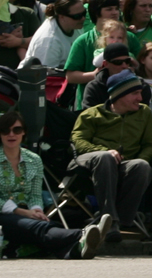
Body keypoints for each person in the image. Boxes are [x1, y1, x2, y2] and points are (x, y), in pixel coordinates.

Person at [0, 109, 109, 258]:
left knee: (41, 227)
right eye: (5, 130)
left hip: (28, 214)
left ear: (24, 132)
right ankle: (81, 234)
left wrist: (37, 210)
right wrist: (22, 212)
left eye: (17, 129)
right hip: (4, 215)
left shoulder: (34, 160)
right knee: (37, 227)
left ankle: (77, 249)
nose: (11, 134)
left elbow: (35, 194)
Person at [69, 67, 152, 239]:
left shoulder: (144, 113)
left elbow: (151, 145)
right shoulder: (91, 114)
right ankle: (107, 218)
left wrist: (139, 160)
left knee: (142, 166)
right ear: (120, 95)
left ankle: (121, 222)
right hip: (90, 163)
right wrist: (103, 151)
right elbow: (78, 142)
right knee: (105, 157)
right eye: (135, 93)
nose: (140, 98)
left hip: (125, 164)